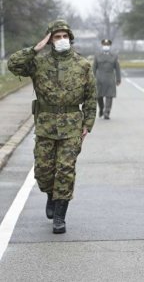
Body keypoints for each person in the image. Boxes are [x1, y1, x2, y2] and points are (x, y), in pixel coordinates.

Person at [7, 19, 96, 234]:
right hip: (46, 124)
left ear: (70, 38)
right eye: (57, 37)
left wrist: (88, 124)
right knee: (43, 171)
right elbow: (13, 64)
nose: (62, 40)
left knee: (65, 170)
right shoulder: (39, 63)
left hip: (72, 126)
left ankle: (59, 216)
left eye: (65, 36)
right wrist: (36, 48)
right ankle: (50, 195)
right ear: (49, 40)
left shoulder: (82, 65)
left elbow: (91, 97)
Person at [93, 39, 121, 120]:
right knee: (98, 96)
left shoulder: (114, 55)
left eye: (107, 44)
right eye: (104, 44)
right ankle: (101, 108)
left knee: (109, 96)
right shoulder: (97, 55)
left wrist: (118, 79)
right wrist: (91, 78)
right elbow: (94, 68)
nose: (106, 46)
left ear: (110, 45)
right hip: (99, 79)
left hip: (110, 78)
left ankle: (107, 112)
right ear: (102, 45)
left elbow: (117, 68)